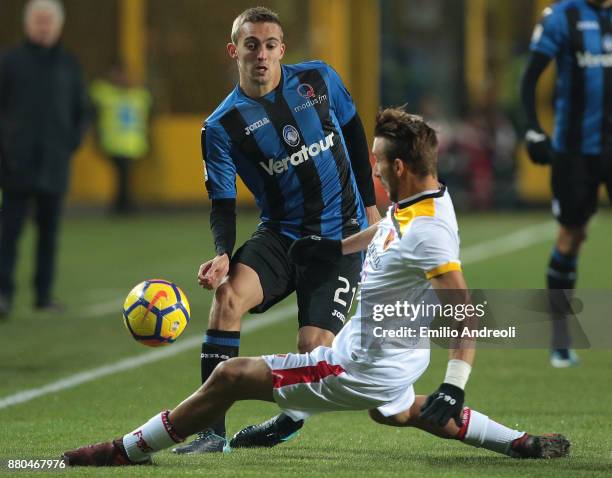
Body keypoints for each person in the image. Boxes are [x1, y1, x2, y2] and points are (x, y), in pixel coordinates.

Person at [61, 107, 570, 467]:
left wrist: (455, 384)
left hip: (360, 365)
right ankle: (520, 443)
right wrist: (337, 249)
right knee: (399, 412)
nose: (368, 166)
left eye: (374, 159)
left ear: (396, 167)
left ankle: (127, 450)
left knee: (232, 376)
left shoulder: (429, 231)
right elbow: (389, 225)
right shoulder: (428, 197)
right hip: (385, 351)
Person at [171, 7, 380, 453]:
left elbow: (354, 134)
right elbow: (222, 202)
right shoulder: (221, 125)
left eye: (270, 45)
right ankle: (212, 431)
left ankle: (286, 423)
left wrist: (372, 208)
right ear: (235, 51)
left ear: (282, 49)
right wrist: (223, 251)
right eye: (251, 46)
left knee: (312, 345)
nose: (261, 55)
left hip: (341, 236)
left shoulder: (319, 80)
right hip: (282, 234)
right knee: (227, 297)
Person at [520, 0, 612, 367]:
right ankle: (560, 339)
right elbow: (530, 77)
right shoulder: (562, 17)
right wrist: (532, 128)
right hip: (573, 151)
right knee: (571, 236)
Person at [0, 0, 88, 318]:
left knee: (49, 234)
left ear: (59, 25)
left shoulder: (69, 64)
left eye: (48, 20)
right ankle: (3, 294)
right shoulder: (9, 62)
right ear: (27, 24)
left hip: (54, 163)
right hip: (14, 164)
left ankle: (43, 295)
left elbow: (83, 111)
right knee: (8, 232)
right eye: (38, 20)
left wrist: (69, 144)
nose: (43, 25)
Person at [90, 63, 152, 215]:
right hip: (114, 144)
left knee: (124, 177)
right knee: (123, 176)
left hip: (133, 145)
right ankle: (123, 205)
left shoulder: (138, 95)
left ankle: (122, 204)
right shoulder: (106, 93)